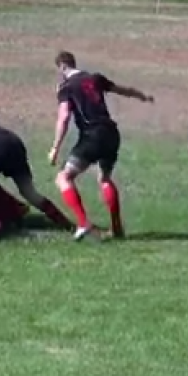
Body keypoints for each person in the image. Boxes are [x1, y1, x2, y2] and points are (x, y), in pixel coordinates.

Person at [48, 50, 153, 241]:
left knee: (63, 178)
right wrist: (142, 96)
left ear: (62, 67)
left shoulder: (66, 86)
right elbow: (123, 90)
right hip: (111, 133)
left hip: (92, 135)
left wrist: (55, 148)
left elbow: (63, 117)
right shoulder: (94, 78)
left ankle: (83, 223)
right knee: (104, 178)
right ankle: (117, 229)